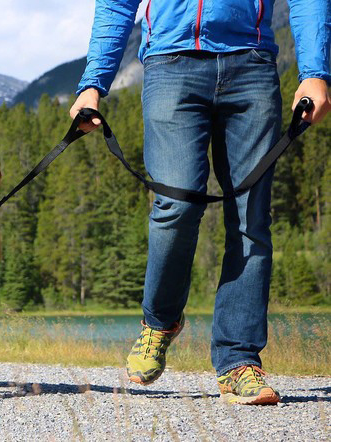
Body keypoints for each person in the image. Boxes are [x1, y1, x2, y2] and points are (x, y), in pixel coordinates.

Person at [70, 0, 330, 405]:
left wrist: (314, 72)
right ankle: (159, 321)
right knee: (175, 207)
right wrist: (93, 83)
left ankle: (239, 362)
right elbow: (117, 4)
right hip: (169, 64)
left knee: (251, 218)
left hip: (252, 63)